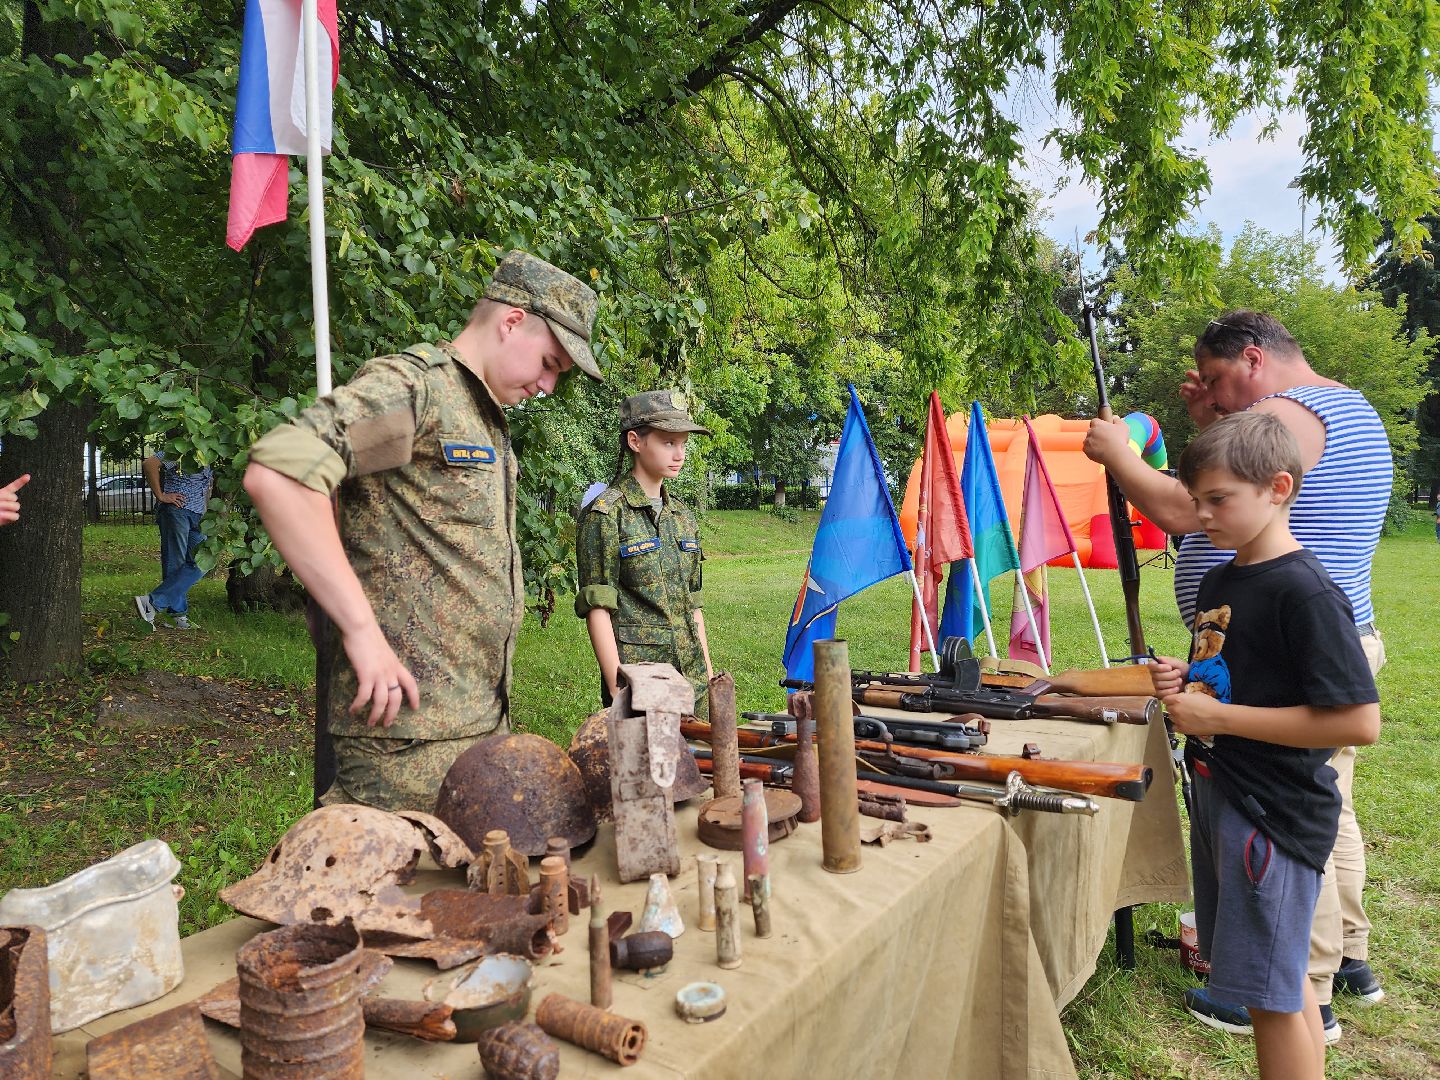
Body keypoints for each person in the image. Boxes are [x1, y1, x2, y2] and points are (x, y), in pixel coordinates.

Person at [1084, 311, 1390, 1038]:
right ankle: (1348, 961)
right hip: (1297, 653)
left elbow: (1185, 508)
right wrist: (1212, 418)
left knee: (1284, 822)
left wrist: (1120, 457)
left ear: (1255, 358)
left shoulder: (1287, 414)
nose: (1217, 397)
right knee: (1329, 808)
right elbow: (1222, 480)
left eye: (1220, 381)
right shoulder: (1346, 405)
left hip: (1287, 664)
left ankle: (1300, 991)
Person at [243, 250, 601, 812]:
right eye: (551, 362)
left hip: (475, 728)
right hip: (402, 743)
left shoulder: (481, 412)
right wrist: (359, 628)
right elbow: (281, 473)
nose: (549, 385)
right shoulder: (418, 387)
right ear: (512, 321)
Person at [1150, 412, 1380, 1080]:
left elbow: (1357, 721)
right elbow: (1227, 681)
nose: (1202, 513)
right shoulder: (1220, 581)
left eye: (1218, 499)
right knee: (1286, 991)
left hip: (1273, 817)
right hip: (1223, 797)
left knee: (1269, 1003)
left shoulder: (1305, 592)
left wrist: (1221, 719)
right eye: (1195, 500)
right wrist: (1184, 682)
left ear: (1278, 487)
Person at [575, 390, 714, 719]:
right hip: (641, 680)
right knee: (644, 768)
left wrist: (707, 675)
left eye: (683, 443)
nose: (679, 453)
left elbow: (693, 606)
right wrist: (616, 687)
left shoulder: (682, 516)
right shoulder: (607, 514)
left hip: (691, 679)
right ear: (635, 441)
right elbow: (597, 607)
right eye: (668, 443)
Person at [133, 451, 213, 630]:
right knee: (175, 563)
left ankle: (152, 602)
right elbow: (150, 464)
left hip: (197, 515)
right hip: (176, 510)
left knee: (205, 560)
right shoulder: (181, 448)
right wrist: (161, 495)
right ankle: (177, 616)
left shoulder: (209, 450)